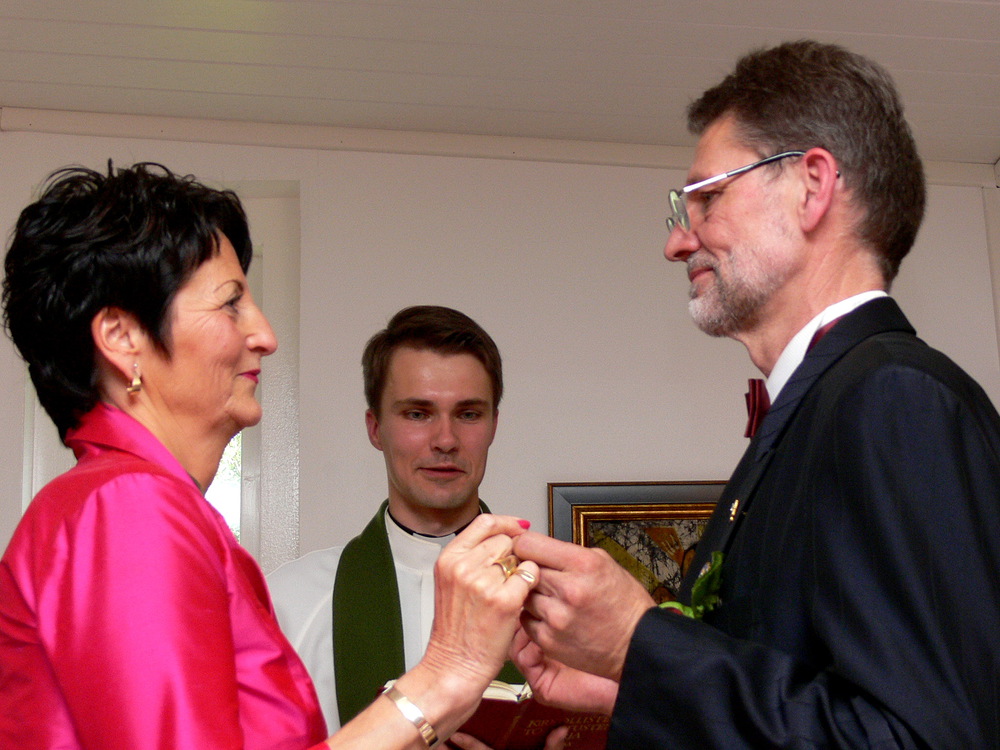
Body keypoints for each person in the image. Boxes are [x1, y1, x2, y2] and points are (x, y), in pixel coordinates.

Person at [510, 40, 1000, 748]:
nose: (678, 243)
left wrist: (642, 643)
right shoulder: (814, 413)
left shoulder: (895, 400)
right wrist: (632, 683)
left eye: (707, 198)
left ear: (811, 186)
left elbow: (925, 738)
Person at [0, 162, 541, 750]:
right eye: (231, 303)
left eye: (469, 414)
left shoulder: (121, 501)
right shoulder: (126, 507)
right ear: (122, 337)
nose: (264, 334)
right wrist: (443, 679)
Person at [269, 306, 565, 749]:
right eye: (417, 414)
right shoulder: (288, 602)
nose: (445, 440)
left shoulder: (559, 599)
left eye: (468, 414)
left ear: (493, 426)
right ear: (375, 428)